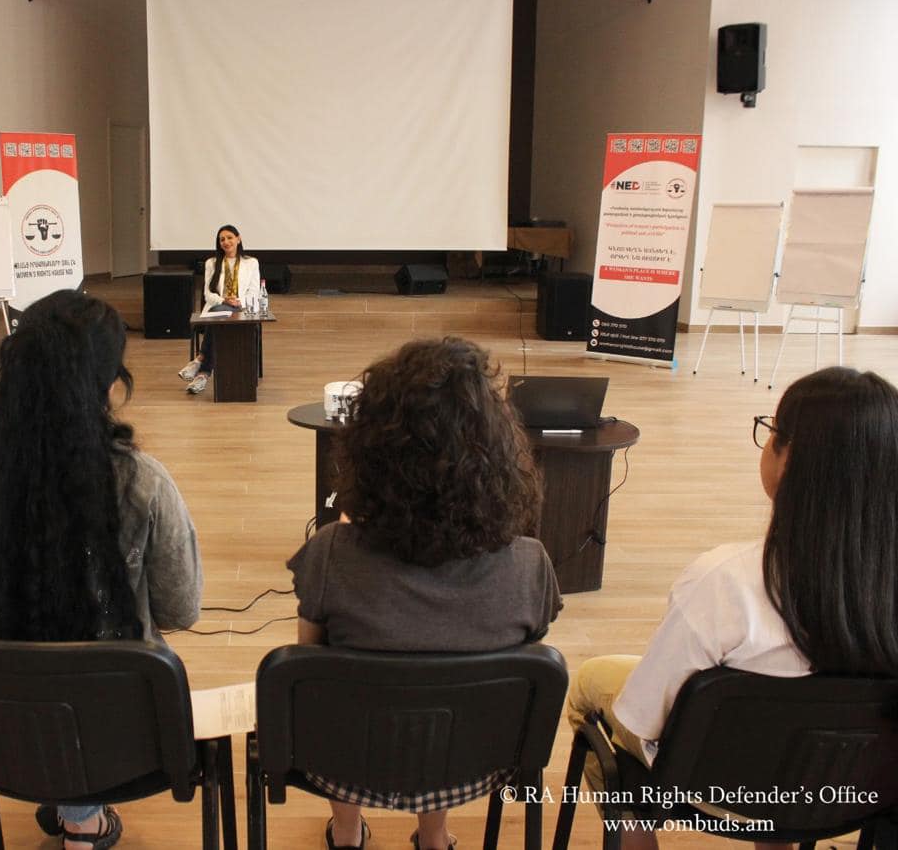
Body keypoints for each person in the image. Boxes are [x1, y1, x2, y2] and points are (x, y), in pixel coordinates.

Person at [565, 366, 898, 850]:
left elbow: (644, 719)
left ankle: (637, 831)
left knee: (592, 682)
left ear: (790, 459)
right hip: (853, 792)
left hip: (715, 788)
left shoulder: (725, 581)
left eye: (772, 432)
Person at [0, 289, 203, 850]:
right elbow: (181, 608)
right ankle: (83, 822)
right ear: (108, 387)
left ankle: (74, 810)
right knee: (89, 658)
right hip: (117, 725)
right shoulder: (145, 483)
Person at [287, 337, 560, 850]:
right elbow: (517, 670)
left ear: (370, 449)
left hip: (347, 761)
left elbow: (310, 677)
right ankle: (434, 836)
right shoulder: (529, 563)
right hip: (474, 763)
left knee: (337, 697)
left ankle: (346, 831)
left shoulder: (329, 553)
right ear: (499, 454)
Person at [176, 224, 259, 395]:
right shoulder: (212, 263)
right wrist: (224, 300)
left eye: (229, 238)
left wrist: (238, 302)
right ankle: (203, 374)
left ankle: (200, 361)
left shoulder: (251, 263)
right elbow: (208, 294)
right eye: (222, 239)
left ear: (238, 239)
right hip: (217, 308)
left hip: (241, 308)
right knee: (220, 313)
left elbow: (254, 292)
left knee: (218, 317)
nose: (226, 242)